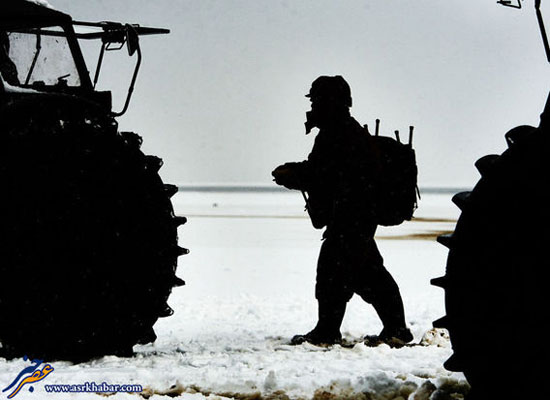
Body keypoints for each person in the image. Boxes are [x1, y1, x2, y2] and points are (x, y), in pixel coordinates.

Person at [272, 75, 413, 347]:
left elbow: (328, 174)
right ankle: (393, 328)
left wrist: (295, 174)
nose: (312, 105)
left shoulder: (341, 133)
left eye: (316, 99)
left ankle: (330, 331)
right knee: (363, 273)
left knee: (336, 273)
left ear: (332, 101)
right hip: (352, 217)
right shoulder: (339, 131)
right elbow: (324, 171)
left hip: (353, 217)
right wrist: (297, 172)